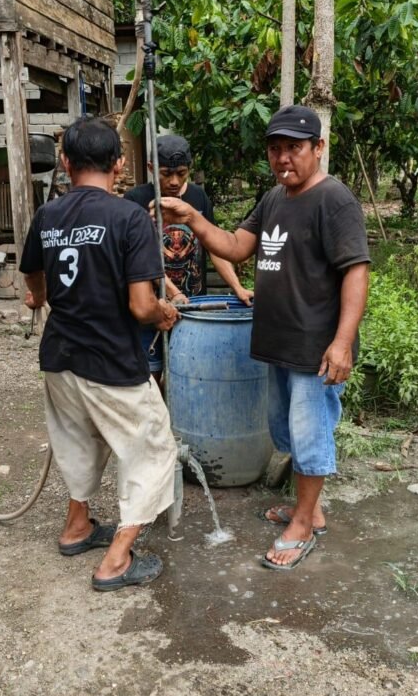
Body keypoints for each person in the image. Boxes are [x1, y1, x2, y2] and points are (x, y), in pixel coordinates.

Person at [159, 105, 370, 571]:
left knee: (310, 433)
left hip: (315, 347)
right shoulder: (275, 199)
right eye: (275, 149)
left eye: (294, 148)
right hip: (278, 342)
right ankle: (308, 509)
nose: (283, 158)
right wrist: (193, 217)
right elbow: (236, 246)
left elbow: (356, 271)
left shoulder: (335, 200)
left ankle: (302, 527)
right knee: (285, 430)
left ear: (318, 148)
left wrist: (342, 343)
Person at [20, 115, 180, 592]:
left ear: (66, 163)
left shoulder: (47, 216)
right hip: (110, 359)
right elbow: (140, 304)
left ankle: (77, 527)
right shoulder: (128, 218)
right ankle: (116, 560)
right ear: (119, 163)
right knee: (153, 447)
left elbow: (33, 280)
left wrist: (40, 296)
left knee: (80, 441)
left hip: (60, 357)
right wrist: (162, 313)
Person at [125, 135, 254, 307]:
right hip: (155, 309)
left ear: (189, 168)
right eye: (166, 174)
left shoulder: (198, 197)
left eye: (181, 173)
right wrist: (174, 293)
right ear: (151, 168)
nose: (174, 182)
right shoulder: (135, 200)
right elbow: (142, 258)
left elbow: (213, 248)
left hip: (195, 304)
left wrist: (238, 287)